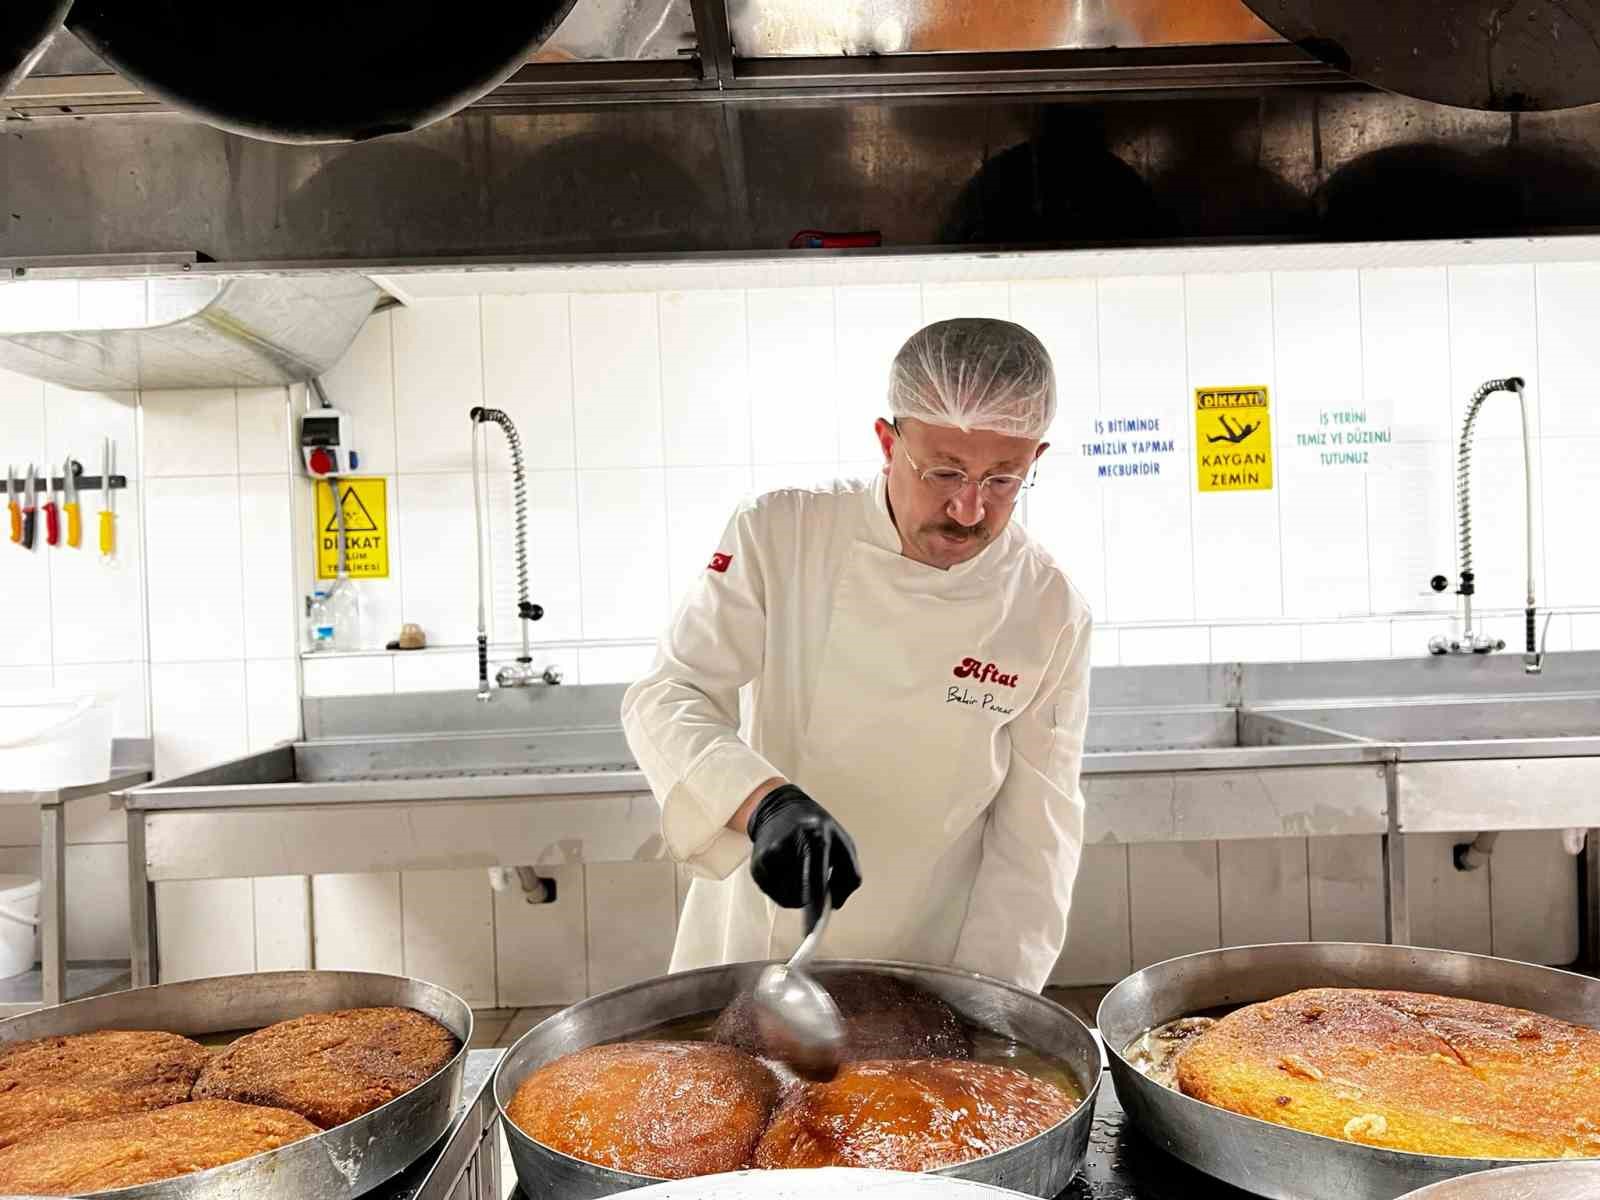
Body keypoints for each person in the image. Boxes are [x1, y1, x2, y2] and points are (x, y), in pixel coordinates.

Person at [620, 317, 1092, 992]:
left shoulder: (1048, 608)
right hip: (762, 944)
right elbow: (668, 695)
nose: (967, 509)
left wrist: (992, 1006)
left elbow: (1037, 836)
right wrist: (762, 804)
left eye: (1003, 481)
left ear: (1036, 461)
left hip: (929, 968)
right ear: (886, 442)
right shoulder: (780, 535)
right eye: (945, 472)